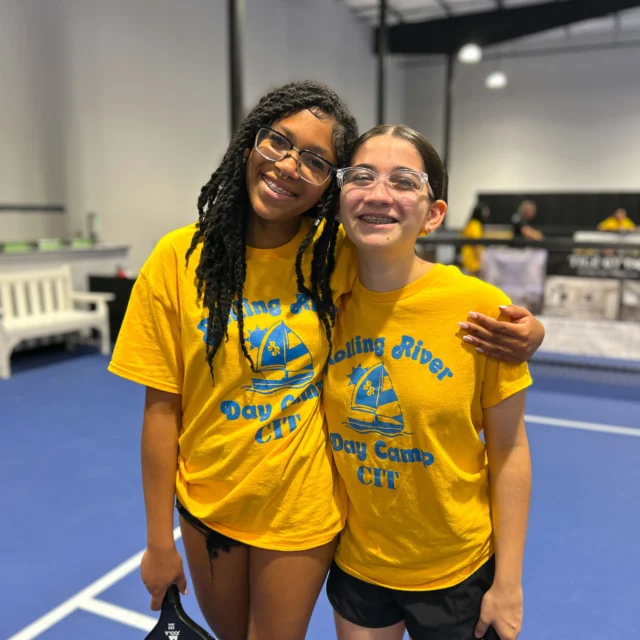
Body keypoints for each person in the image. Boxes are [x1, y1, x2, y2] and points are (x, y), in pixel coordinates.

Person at [108, 82, 543, 640]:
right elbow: (160, 410)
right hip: (206, 503)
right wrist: (156, 538)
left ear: (325, 188)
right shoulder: (176, 259)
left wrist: (530, 331)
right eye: (278, 142)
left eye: (314, 160)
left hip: (304, 505)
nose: (289, 165)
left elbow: (413, 288)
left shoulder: (335, 258)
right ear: (249, 144)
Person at [323, 125, 532, 640]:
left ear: (433, 214)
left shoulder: (478, 307)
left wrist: (508, 583)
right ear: (341, 196)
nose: (378, 194)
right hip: (359, 565)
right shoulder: (321, 298)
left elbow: (509, 448)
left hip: (456, 572)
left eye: (404, 181)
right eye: (363, 177)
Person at [460, 203, 489, 276]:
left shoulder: (470, 223)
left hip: (468, 258)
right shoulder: (475, 225)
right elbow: (476, 243)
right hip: (473, 258)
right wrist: (480, 259)